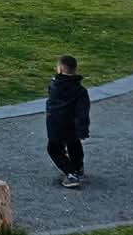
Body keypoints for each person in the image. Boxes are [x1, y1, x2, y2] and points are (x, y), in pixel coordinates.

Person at [45, 54, 92, 188]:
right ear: (75, 69)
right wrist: (83, 129)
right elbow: (83, 111)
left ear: (59, 69)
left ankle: (71, 173)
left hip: (56, 124)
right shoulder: (80, 90)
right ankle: (78, 168)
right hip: (73, 125)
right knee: (74, 145)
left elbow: (51, 104)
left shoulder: (54, 85)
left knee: (54, 149)